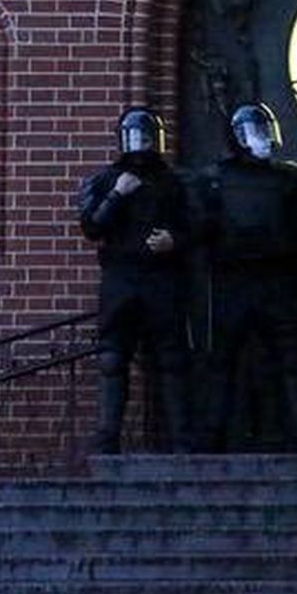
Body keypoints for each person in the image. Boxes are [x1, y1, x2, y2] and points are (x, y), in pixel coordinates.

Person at [193, 103, 297, 451]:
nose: (263, 139)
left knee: (292, 360)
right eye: (256, 132)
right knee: (224, 361)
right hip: (235, 278)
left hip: (278, 276)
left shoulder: (288, 177)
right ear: (239, 137)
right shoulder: (214, 178)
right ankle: (212, 435)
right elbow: (199, 227)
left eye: (265, 131)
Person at [75, 106, 194, 454]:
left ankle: (180, 438)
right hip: (121, 278)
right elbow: (92, 227)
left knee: (171, 358)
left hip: (162, 278)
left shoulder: (174, 181)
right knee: (113, 358)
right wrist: (116, 195)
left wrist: (175, 240)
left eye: (145, 137)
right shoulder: (107, 179)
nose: (140, 144)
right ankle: (108, 435)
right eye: (135, 137)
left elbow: (197, 226)